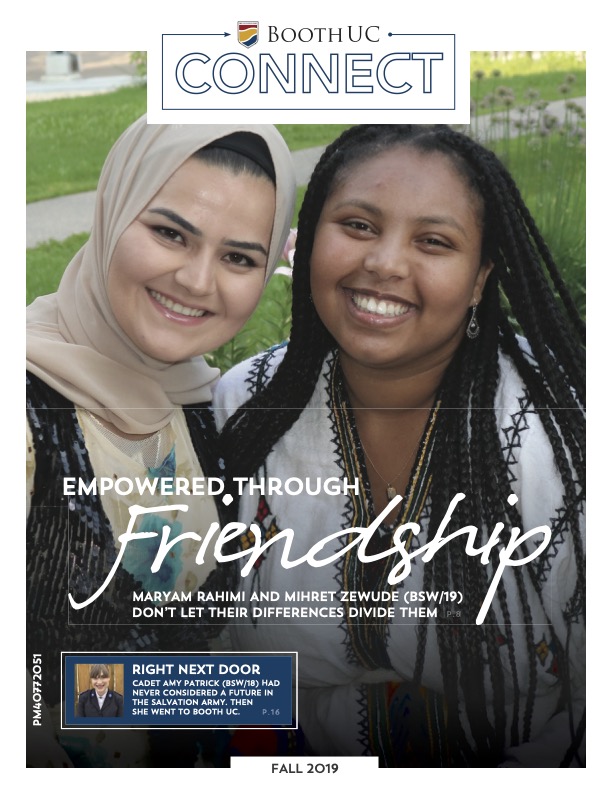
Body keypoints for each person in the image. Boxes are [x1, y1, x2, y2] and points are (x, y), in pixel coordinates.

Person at [214, 124, 585, 767]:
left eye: (434, 241)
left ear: (479, 278)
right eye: (357, 225)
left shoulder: (562, 433)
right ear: (307, 244)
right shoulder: (244, 407)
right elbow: (208, 671)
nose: (384, 263)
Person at [26, 117, 296, 766]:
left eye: (238, 257)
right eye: (171, 233)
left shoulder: (205, 407)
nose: (198, 282)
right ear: (113, 212)